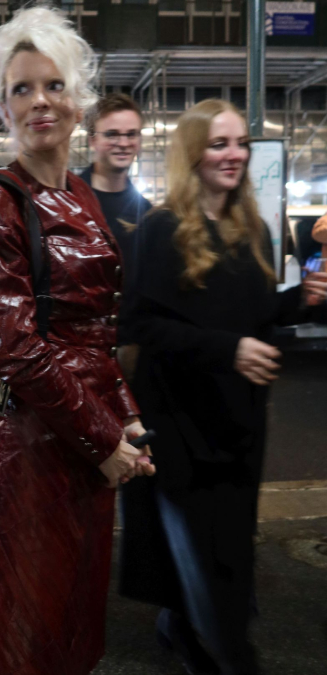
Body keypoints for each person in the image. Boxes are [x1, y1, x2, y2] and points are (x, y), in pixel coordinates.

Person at [0, 6, 155, 675]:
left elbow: (97, 326)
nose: (40, 100)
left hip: (81, 440)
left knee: (71, 628)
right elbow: (16, 348)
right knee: (19, 639)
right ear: (4, 110)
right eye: (21, 88)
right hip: (29, 451)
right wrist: (105, 440)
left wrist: (126, 420)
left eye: (54, 85)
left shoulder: (80, 194)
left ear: (78, 102)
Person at [119, 99, 327, 675]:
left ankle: (184, 632)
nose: (234, 155)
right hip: (182, 427)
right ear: (193, 153)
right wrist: (228, 350)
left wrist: (300, 301)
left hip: (239, 427)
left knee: (228, 553)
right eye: (218, 144)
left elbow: (252, 316)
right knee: (210, 570)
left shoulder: (254, 228)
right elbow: (139, 326)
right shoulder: (161, 229)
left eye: (240, 143)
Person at [81, 94, 151, 378]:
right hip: (76, 354)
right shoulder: (63, 204)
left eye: (131, 134)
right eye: (112, 134)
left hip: (132, 356)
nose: (123, 143)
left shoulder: (148, 215)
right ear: (92, 140)